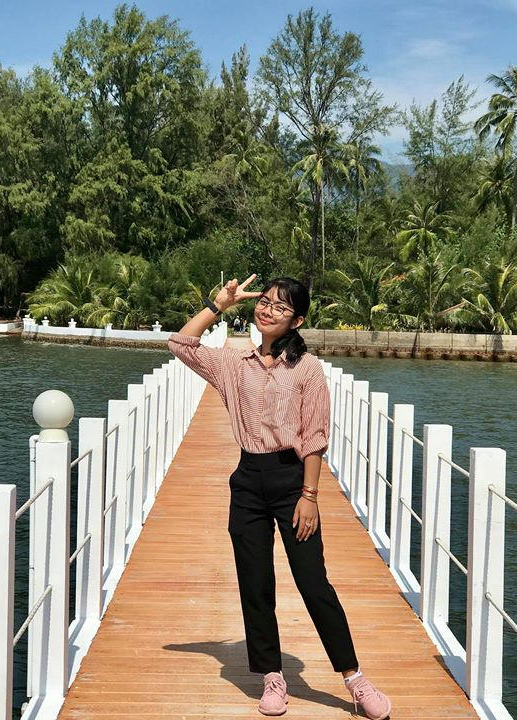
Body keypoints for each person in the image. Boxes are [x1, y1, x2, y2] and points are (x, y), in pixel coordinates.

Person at [167, 274, 392, 719]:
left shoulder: (307, 369)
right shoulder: (233, 363)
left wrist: (310, 495)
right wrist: (219, 305)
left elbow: (314, 436)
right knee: (255, 582)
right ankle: (271, 675)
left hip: (293, 482)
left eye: (280, 307)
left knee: (313, 581)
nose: (267, 310)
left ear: (297, 320)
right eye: (265, 302)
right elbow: (180, 344)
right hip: (248, 480)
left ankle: (354, 678)